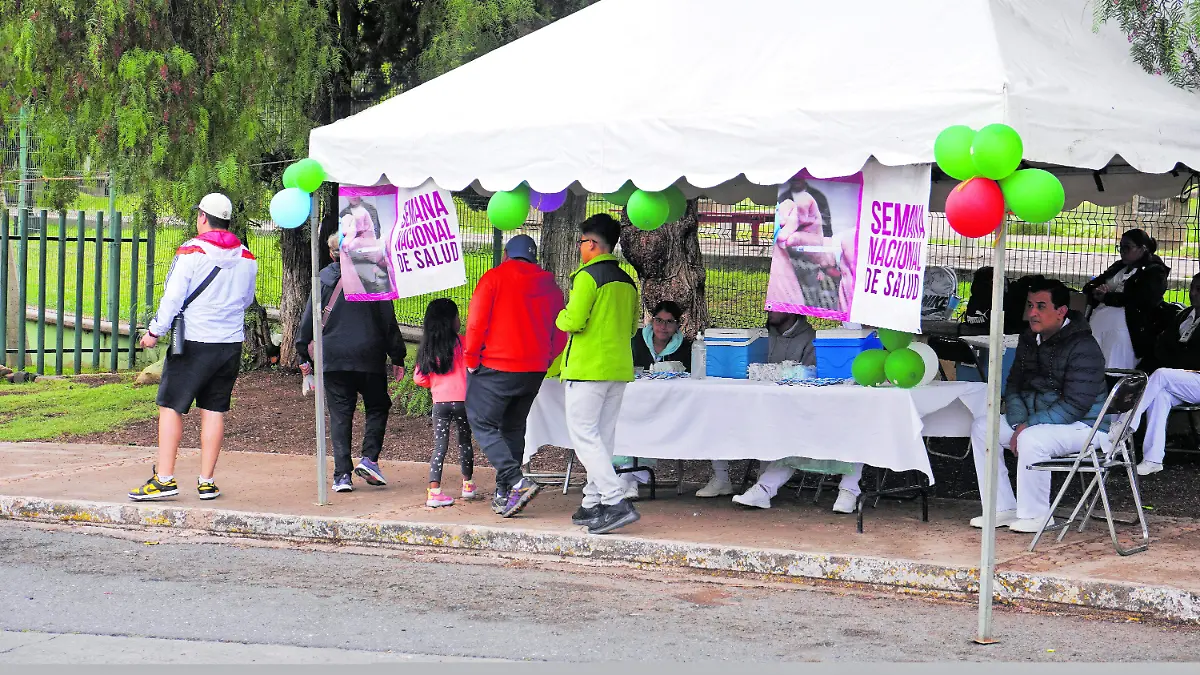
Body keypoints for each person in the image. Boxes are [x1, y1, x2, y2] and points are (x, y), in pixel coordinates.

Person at [129, 193, 258, 501]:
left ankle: (164, 479)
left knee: (171, 406)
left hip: (193, 342)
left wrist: (154, 332)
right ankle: (207, 482)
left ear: (202, 217)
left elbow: (173, 298)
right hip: (229, 344)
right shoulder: (247, 256)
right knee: (213, 410)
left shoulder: (191, 252)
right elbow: (247, 300)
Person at [969, 277, 1108, 533]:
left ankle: (1037, 515)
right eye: (1031, 305)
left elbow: (1076, 404)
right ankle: (1002, 509)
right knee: (983, 428)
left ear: (1061, 311)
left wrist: (1026, 426)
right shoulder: (1029, 339)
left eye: (1041, 306)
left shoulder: (1083, 345)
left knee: (1031, 439)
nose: (1032, 313)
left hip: (1088, 425)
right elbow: (1014, 387)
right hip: (1040, 421)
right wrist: (1017, 422)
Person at [295, 233, 407, 493]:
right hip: (369, 355)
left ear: (332, 254)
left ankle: (341, 476)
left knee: (340, 415)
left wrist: (303, 355)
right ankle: (369, 459)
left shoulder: (322, 279)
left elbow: (309, 319)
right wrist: (397, 356)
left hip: (333, 358)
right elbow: (387, 321)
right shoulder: (373, 277)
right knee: (378, 405)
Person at [464, 234, 567, 518]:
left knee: (481, 420)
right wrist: (546, 360)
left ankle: (516, 480)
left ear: (507, 254)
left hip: (497, 367)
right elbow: (561, 331)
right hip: (533, 371)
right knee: (513, 427)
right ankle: (504, 492)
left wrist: (471, 360)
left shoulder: (494, 278)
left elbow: (475, 323)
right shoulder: (551, 287)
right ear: (534, 258)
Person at [557, 214, 642, 535]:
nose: (580, 249)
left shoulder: (587, 277)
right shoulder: (627, 281)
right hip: (617, 368)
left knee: (583, 435)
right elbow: (633, 326)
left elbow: (573, 320)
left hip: (587, 367)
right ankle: (592, 502)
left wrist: (560, 317)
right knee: (602, 437)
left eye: (581, 243)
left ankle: (614, 499)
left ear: (592, 244)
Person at [695, 311, 819, 499]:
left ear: (790, 308)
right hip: (753, 402)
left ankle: (764, 482)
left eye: (774, 306)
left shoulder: (811, 339)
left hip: (787, 408)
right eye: (768, 306)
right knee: (717, 411)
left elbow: (810, 378)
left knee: (769, 422)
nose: (768, 310)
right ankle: (721, 478)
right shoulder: (759, 336)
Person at [615, 300, 693, 499]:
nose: (663, 327)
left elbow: (690, 378)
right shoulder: (635, 340)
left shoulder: (685, 348)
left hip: (666, 406)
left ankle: (629, 479)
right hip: (631, 402)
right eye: (659, 320)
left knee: (654, 424)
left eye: (669, 322)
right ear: (651, 321)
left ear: (677, 325)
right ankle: (625, 475)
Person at [1130, 273, 1200, 476]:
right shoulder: (1183, 316)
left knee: (1161, 375)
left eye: (1199, 289)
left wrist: (1179, 359)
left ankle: (1128, 422)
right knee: (1161, 396)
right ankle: (1153, 458)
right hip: (1184, 378)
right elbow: (1162, 346)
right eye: (1192, 288)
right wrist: (1180, 360)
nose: (1193, 293)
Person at [413, 299, 476, 506]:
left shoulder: (428, 348)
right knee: (464, 442)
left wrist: (436, 385)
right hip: (464, 403)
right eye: (457, 316)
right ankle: (467, 485)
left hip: (440, 404)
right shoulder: (464, 343)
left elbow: (419, 378)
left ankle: (434, 491)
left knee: (440, 446)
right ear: (451, 321)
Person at [1082, 229, 1169, 369]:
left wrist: (1109, 297)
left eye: (1127, 247)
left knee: (1113, 369)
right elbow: (1091, 285)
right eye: (1120, 247)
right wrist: (1096, 290)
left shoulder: (1154, 271)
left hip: (1125, 332)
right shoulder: (1119, 266)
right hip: (1098, 327)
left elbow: (1143, 299)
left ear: (1142, 249)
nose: (1122, 251)